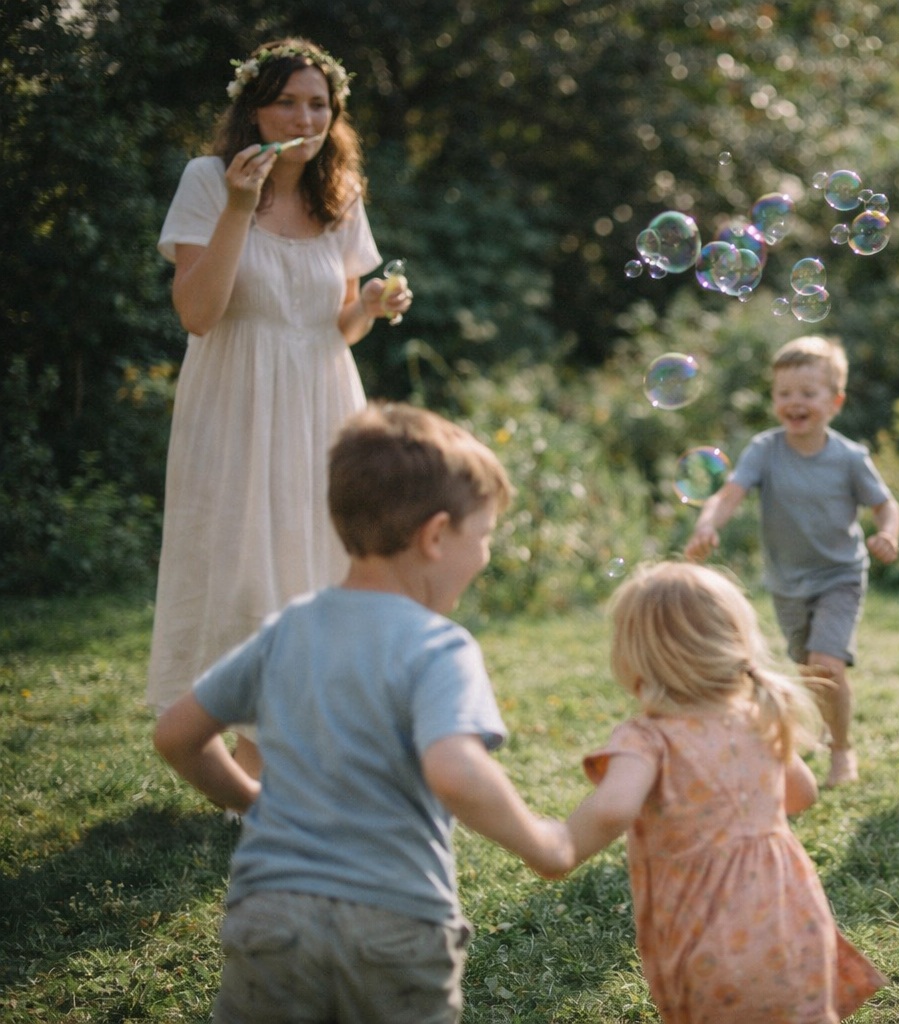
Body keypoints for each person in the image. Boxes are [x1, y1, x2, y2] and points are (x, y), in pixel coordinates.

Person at [153, 403, 574, 1024]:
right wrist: (541, 840)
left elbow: (176, 735)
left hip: (268, 912)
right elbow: (455, 770)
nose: (484, 555)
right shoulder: (440, 647)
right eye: (482, 536)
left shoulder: (287, 630)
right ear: (435, 536)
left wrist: (248, 796)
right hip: (395, 924)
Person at [147, 37, 412, 777]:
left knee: (319, 562)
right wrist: (237, 206)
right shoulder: (209, 180)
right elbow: (199, 313)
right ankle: (247, 755)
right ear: (254, 110)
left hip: (325, 400)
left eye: (319, 103)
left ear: (336, 114)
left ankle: (296, 749)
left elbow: (337, 323)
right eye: (288, 101)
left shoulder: (340, 193)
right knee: (242, 567)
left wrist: (373, 303)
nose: (305, 115)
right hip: (237, 399)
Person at [559, 561, 888, 1023]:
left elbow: (614, 808)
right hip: (790, 922)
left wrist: (558, 843)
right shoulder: (757, 717)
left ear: (635, 654)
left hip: (708, 941)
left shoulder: (647, 737)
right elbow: (803, 794)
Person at [684, 335, 899, 787]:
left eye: (807, 393)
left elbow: (885, 505)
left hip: (840, 574)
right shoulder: (766, 449)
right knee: (808, 668)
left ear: (835, 401)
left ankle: (842, 750)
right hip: (788, 582)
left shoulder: (849, 457)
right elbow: (729, 494)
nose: (793, 402)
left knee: (826, 663)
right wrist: (708, 524)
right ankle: (827, 728)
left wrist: (888, 532)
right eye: (784, 393)